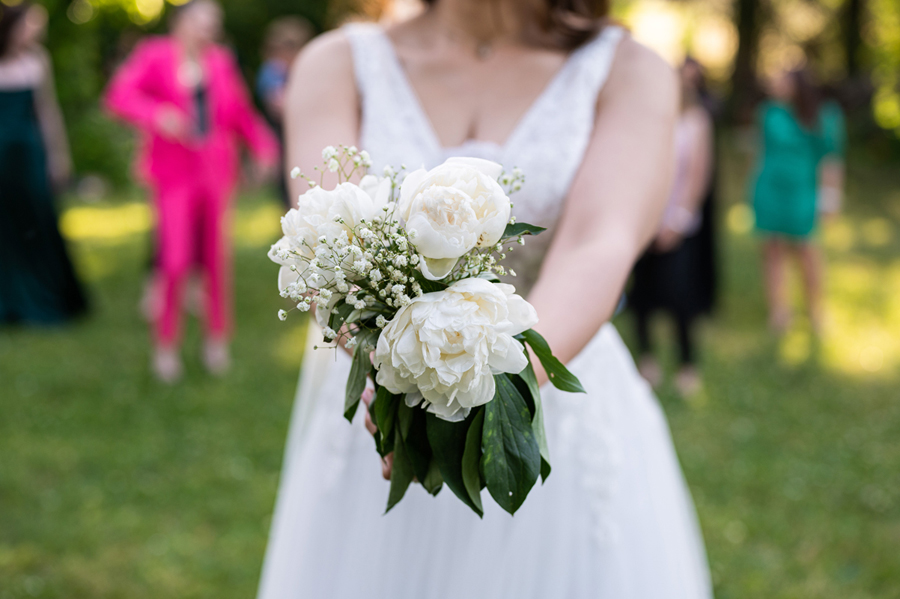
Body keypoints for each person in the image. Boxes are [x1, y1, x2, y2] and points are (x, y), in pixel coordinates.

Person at [257, 1, 713, 597]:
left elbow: (597, 244)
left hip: (552, 392)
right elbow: (323, 242)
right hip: (378, 401)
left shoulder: (630, 71)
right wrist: (397, 383)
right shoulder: (337, 64)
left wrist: (486, 392)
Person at [103, 0, 279, 383]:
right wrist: (156, 115)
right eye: (202, 21)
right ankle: (165, 346)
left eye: (213, 24)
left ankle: (216, 341)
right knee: (175, 259)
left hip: (216, 174)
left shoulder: (219, 62)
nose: (208, 30)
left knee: (217, 261)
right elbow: (119, 96)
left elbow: (240, 114)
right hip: (173, 175)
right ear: (181, 21)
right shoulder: (154, 55)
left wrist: (264, 147)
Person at [629, 57, 717, 398]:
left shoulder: (696, 121)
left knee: (680, 294)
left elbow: (698, 175)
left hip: (678, 224)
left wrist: (678, 220)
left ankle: (686, 364)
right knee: (642, 295)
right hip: (646, 220)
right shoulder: (651, 119)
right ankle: (646, 359)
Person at [0, 2, 88, 326]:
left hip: (29, 156)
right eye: (30, 23)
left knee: (37, 220)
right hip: (1, 159)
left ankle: (44, 296)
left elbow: (48, 112)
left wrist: (58, 155)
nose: (36, 31)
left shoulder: (37, 61)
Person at [751, 67, 845, 334]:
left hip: (802, 191)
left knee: (807, 251)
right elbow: (760, 151)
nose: (774, 83)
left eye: (781, 79)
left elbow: (831, 159)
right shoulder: (769, 112)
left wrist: (830, 198)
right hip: (770, 190)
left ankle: (816, 311)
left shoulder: (823, 114)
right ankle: (780, 312)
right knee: (773, 250)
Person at [257, 16, 314, 207]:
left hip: (305, 135)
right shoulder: (272, 71)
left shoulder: (306, 68)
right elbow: (279, 104)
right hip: (282, 137)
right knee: (287, 185)